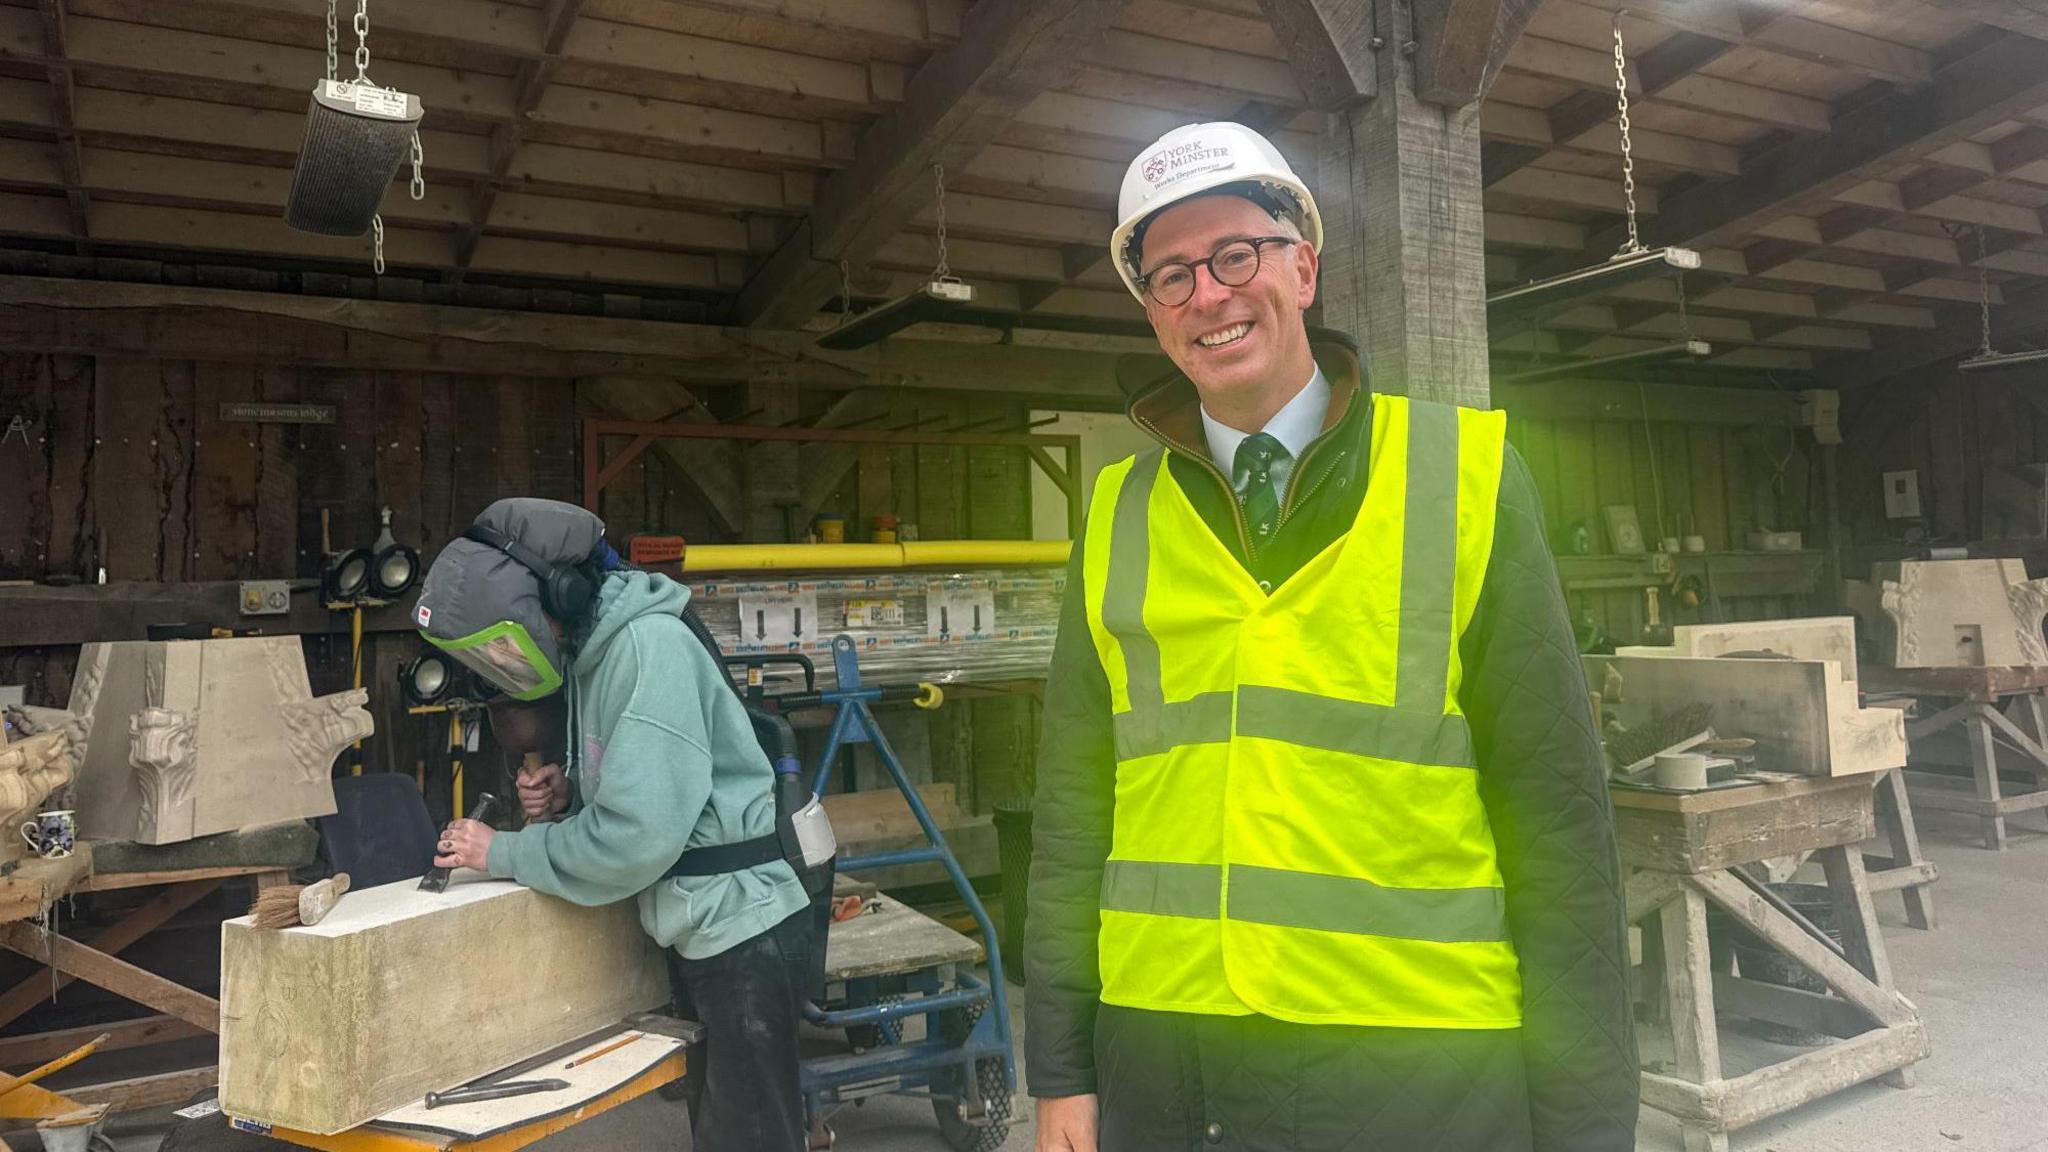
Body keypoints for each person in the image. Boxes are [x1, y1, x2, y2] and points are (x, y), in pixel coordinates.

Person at [1026, 122, 1639, 1152]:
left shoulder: (1463, 476)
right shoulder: (1115, 515)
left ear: (1302, 268)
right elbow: (1072, 816)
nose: (1208, 295)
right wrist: (1059, 1070)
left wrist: (1583, 1123)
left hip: (1418, 1061)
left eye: (1235, 255)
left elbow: (1557, 823)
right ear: (1150, 315)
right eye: (1169, 277)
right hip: (1166, 1053)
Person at [415, 497, 815, 1152]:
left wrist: (507, 851)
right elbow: (653, 784)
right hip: (704, 925)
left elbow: (637, 840)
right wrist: (573, 792)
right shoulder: (596, 649)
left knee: (749, 1139)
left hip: (743, 929)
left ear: (562, 597)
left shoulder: (644, 647)